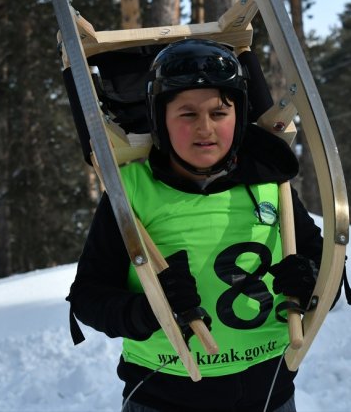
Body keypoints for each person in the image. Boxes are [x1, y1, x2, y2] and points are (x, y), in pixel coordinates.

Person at [67, 39, 326, 412]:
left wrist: (310, 280)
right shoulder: (131, 192)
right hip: (163, 398)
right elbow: (88, 298)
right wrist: (149, 311)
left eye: (219, 113)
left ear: (238, 117)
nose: (205, 128)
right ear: (161, 120)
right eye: (187, 114)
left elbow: (330, 277)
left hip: (270, 396)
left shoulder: (272, 182)